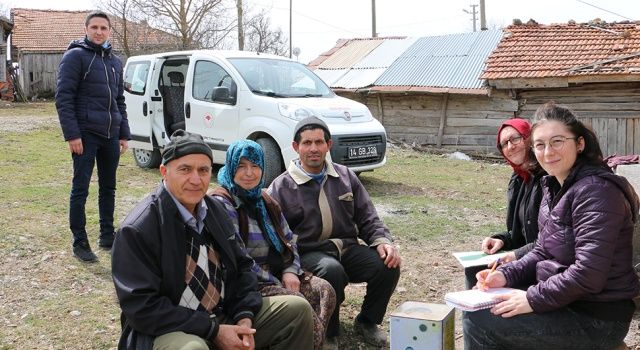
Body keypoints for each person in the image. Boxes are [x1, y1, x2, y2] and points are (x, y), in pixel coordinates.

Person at [112, 130, 314, 350]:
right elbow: (142, 307)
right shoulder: (139, 229)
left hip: (222, 314)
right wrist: (214, 331)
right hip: (172, 328)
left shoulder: (214, 210)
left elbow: (243, 266)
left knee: (297, 309)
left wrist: (244, 315)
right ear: (164, 172)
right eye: (185, 169)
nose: (196, 179)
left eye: (203, 170)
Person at [463, 102, 640, 350]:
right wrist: (505, 274)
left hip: (598, 316)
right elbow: (542, 250)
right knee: (481, 305)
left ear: (579, 144)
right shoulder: (554, 186)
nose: (548, 152)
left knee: (481, 322)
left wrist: (533, 299)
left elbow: (588, 273)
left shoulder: (596, 191)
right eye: (540, 145)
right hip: (570, 301)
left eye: (557, 141)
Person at [268, 116, 402, 348]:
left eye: (319, 142)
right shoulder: (281, 187)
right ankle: (328, 330)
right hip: (309, 254)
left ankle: (368, 321)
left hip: (346, 249)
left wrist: (382, 241)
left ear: (328, 146)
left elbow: (368, 216)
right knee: (332, 271)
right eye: (307, 143)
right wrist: (287, 267)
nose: (313, 149)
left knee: (388, 264)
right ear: (295, 147)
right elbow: (276, 235)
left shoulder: (345, 177)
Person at [209, 139, 337, 350]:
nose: (249, 173)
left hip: (275, 275)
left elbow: (289, 240)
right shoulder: (223, 203)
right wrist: (275, 282)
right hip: (249, 285)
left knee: (324, 291)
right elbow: (237, 261)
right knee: (299, 304)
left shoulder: (265, 200)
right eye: (241, 166)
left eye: (255, 166)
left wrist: (290, 270)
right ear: (231, 167)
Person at [56, 10, 130, 262]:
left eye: (104, 28)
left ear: (109, 31)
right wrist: (72, 134)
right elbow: (63, 98)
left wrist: (123, 134)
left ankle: (107, 235)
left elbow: (119, 101)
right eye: (95, 27)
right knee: (81, 189)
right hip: (85, 135)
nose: (99, 32)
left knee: (108, 187)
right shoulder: (75, 56)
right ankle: (80, 242)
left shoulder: (115, 62)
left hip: (110, 135)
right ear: (86, 29)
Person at [464, 118, 546, 288]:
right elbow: (522, 231)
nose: (510, 147)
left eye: (515, 139)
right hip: (525, 254)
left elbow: (551, 240)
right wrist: (502, 240)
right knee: (474, 269)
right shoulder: (518, 179)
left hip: (542, 260)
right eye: (504, 144)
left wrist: (516, 254)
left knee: (487, 279)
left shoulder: (547, 179)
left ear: (529, 138)